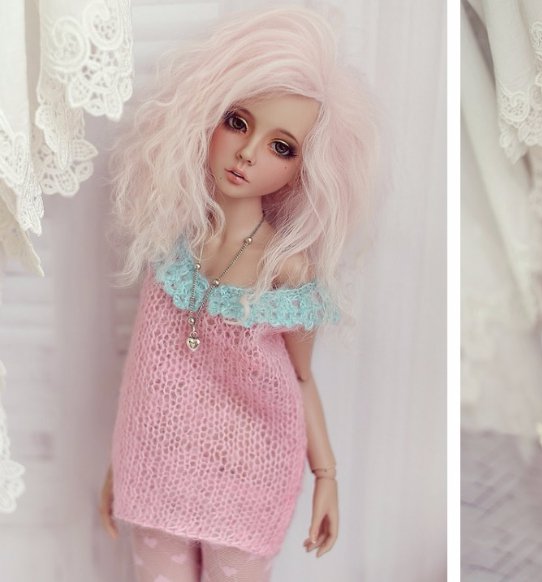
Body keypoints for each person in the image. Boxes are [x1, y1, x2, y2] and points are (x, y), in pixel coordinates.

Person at [97, 7, 378, 581]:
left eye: (282, 147)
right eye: (238, 122)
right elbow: (145, 369)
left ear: (306, 170)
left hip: (250, 478)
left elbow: (301, 377)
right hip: (156, 468)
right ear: (205, 116)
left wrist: (326, 475)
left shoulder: (286, 268)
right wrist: (120, 464)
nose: (248, 153)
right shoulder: (170, 239)